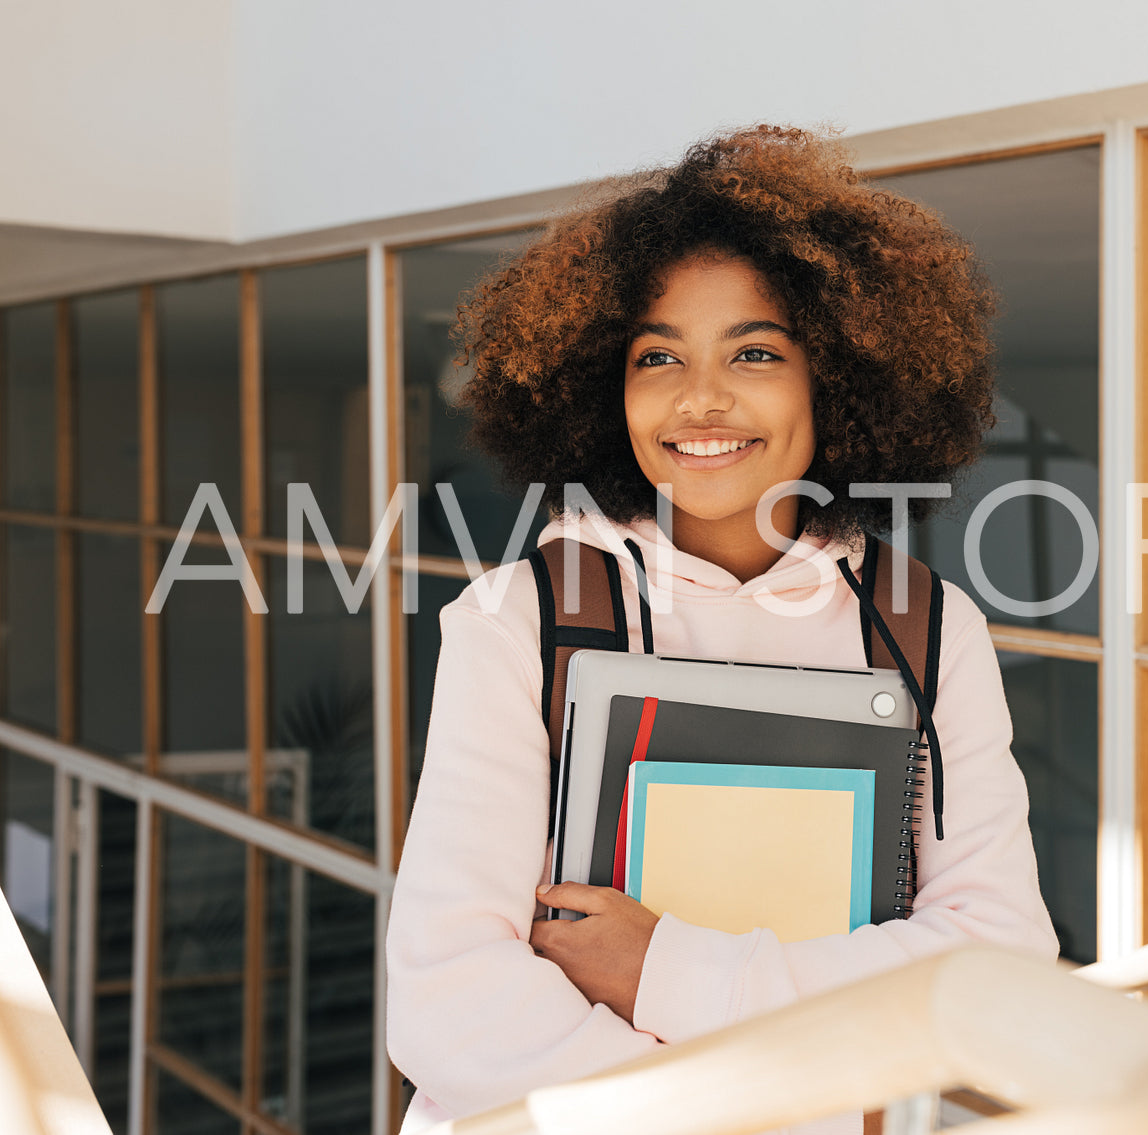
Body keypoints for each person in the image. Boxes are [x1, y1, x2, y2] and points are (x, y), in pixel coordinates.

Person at [385, 123, 1058, 1135]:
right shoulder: (518, 621)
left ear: (830, 378)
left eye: (753, 351)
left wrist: (661, 969)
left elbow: (997, 957)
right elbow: (450, 1004)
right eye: (658, 356)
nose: (699, 398)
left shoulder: (922, 629)